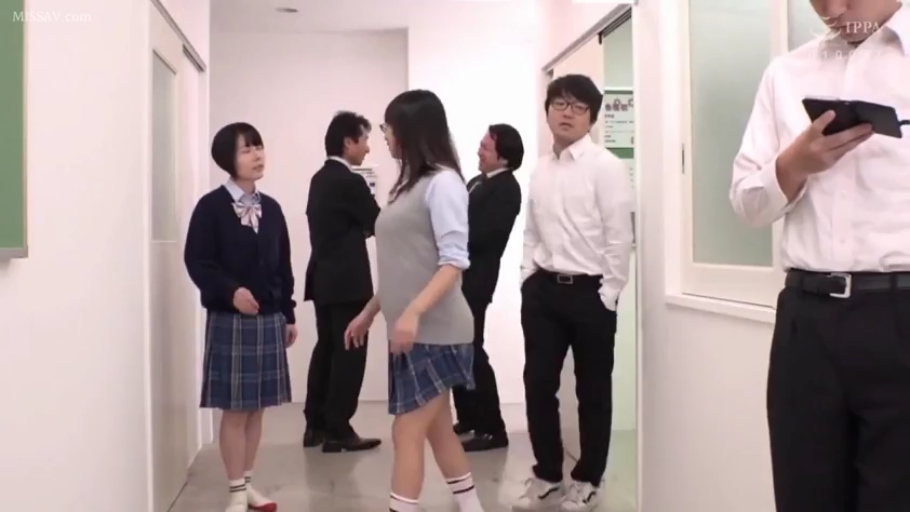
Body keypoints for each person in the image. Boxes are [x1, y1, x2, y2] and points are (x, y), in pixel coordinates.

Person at [730, 2, 910, 511]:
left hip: (902, 315)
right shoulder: (786, 74)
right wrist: (792, 165)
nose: (832, 8)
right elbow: (746, 203)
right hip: (805, 323)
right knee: (803, 496)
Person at [343, 89, 485, 512]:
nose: (384, 136)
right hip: (411, 331)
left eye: (387, 127)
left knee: (406, 431)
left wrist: (412, 313)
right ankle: (472, 506)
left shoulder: (444, 183)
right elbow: (403, 267)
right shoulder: (406, 187)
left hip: (438, 331)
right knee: (437, 429)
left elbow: (453, 262)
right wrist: (369, 313)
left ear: (409, 129)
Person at [515, 74, 634, 512]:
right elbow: (531, 229)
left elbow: (619, 235)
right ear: (547, 110)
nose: (567, 113)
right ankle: (548, 474)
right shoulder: (540, 168)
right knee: (537, 384)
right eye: (560, 104)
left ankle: (588, 479)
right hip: (544, 291)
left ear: (592, 117)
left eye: (579, 107)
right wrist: (527, 276)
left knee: (593, 391)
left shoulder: (607, 166)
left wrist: (609, 293)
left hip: (590, 295)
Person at [184, 122, 297, 512]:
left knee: (257, 407)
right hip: (230, 321)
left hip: (269, 320)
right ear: (227, 159)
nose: (257, 155)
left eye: (258, 146)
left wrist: (288, 312)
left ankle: (247, 485)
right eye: (246, 149)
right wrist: (231, 292)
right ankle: (234, 492)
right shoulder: (211, 208)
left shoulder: (273, 208)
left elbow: (283, 265)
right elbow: (197, 261)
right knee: (234, 410)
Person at [302, 111, 382, 453]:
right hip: (349, 282)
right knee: (350, 353)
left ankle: (316, 425)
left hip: (322, 278)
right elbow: (376, 222)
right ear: (348, 142)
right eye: (364, 140)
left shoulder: (319, 179)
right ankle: (339, 427)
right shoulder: (350, 181)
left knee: (327, 349)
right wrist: (363, 227)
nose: (368, 148)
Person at [452, 124, 524, 452]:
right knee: (458, 348)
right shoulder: (477, 182)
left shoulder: (507, 189)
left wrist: (451, 237)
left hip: (476, 280)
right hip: (458, 277)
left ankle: (493, 428)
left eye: (485, 147)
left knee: (472, 350)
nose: (478, 152)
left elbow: (485, 235)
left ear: (504, 156)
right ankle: (468, 416)